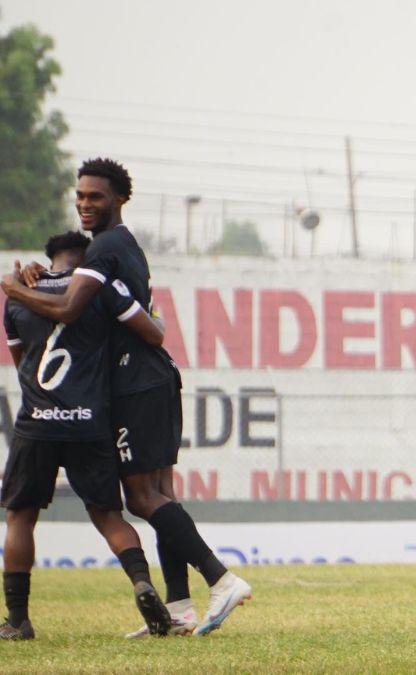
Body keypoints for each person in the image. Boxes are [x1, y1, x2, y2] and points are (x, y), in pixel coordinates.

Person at [0, 158, 251, 637]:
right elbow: (151, 325)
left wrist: (12, 288)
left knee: (140, 497)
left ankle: (221, 578)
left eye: (95, 196)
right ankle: (179, 608)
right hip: (148, 380)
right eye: (80, 196)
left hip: (136, 383)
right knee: (157, 496)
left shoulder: (103, 251)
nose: (84, 204)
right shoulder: (123, 247)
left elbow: (72, 309)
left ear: (118, 199)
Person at [1, 232, 172, 639]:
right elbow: (143, 335)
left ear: (50, 258)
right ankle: (142, 584)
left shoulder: (20, 294)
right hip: (90, 420)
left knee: (20, 516)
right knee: (108, 515)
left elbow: (23, 362)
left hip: (37, 421)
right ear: (87, 261)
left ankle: (17, 621)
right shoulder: (98, 292)